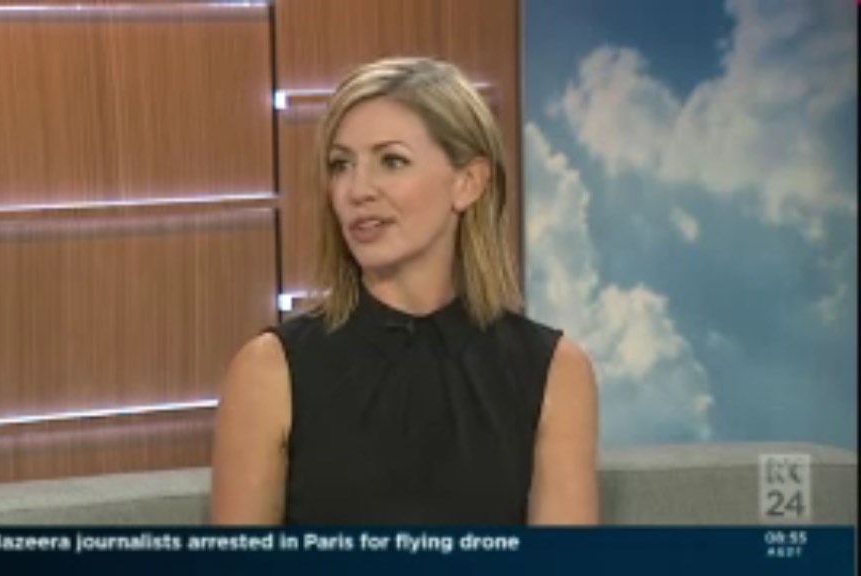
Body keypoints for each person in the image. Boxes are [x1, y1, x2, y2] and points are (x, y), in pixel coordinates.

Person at [210, 57, 598, 525]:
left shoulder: (554, 371)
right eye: (341, 165)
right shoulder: (269, 371)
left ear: (468, 183)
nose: (357, 190)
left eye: (391, 161)